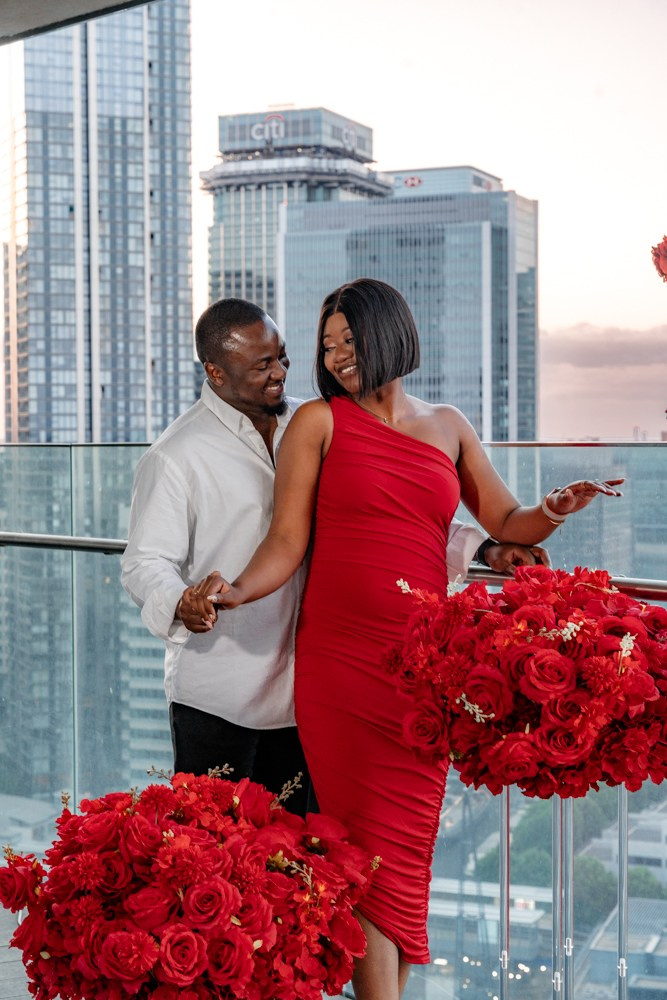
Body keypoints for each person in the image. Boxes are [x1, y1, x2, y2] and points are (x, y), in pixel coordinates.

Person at [194, 280, 623, 1000]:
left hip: (424, 670)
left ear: (387, 334)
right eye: (327, 346)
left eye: (348, 341)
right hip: (340, 667)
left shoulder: (448, 425)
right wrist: (234, 589)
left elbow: (505, 520)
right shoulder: (317, 423)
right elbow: (287, 541)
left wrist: (551, 508)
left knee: (404, 856)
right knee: (361, 854)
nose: (336, 357)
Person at [120, 297, 546, 819]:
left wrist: (486, 549)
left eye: (283, 357)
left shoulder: (316, 420)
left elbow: (386, 513)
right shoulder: (176, 454)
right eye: (261, 366)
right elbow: (144, 563)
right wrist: (182, 603)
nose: (279, 373)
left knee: (305, 868)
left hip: (311, 689)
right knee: (219, 860)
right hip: (223, 692)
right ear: (215, 372)